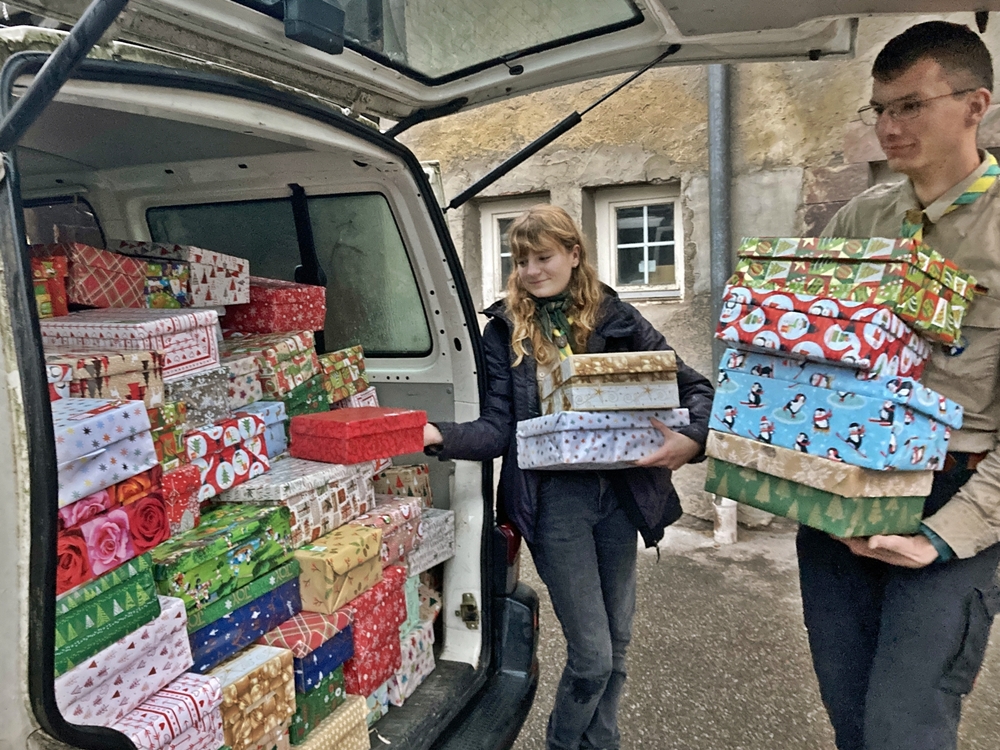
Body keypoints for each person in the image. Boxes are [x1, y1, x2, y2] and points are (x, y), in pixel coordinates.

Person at [422, 204, 713, 750]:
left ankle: (601, 743)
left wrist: (693, 439)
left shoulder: (616, 317)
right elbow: (497, 430)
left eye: (544, 257)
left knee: (617, 648)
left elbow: (693, 386)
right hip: (555, 505)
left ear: (574, 254)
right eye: (521, 260)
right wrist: (437, 434)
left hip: (621, 495)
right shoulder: (504, 332)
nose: (532, 271)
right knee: (593, 656)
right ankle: (563, 742)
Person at [799, 21, 1000, 750]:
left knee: (904, 729)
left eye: (911, 105)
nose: (888, 126)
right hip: (840, 492)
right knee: (851, 717)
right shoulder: (861, 218)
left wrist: (944, 538)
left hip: (951, 496)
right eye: (879, 108)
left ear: (975, 105)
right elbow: (801, 362)